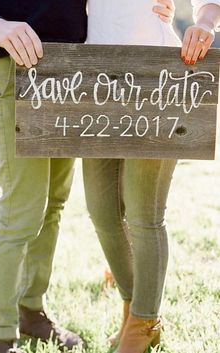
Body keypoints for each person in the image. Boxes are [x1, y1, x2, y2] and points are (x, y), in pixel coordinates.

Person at [84, 1, 220, 353]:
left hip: (156, 75)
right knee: (102, 212)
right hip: (94, 78)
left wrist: (204, 22)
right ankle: (132, 308)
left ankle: (144, 321)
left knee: (144, 216)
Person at [0, 1, 87, 353]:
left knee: (53, 205)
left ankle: (32, 312)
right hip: (12, 62)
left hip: (73, 66)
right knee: (21, 212)